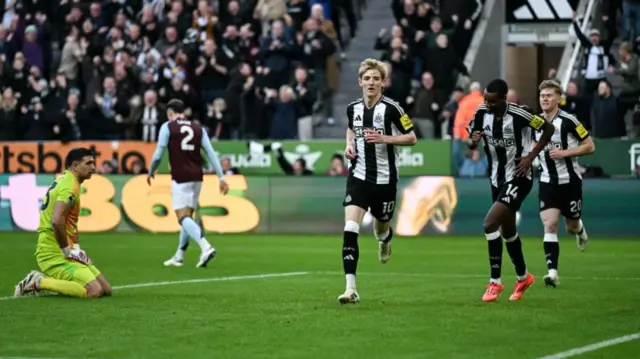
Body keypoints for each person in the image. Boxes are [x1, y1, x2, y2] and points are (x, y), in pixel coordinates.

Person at [467, 78, 554, 302]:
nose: (487, 104)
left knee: (489, 224)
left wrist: (530, 157)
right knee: (508, 231)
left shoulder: (519, 115)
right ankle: (523, 276)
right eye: (485, 99)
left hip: (519, 177)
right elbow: (472, 140)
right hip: (496, 179)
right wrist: (473, 141)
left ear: (504, 99)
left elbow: (548, 128)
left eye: (492, 101)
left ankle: (495, 282)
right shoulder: (481, 112)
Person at [338, 58, 418, 304]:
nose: (371, 82)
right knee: (350, 229)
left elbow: (412, 137)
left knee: (381, 228)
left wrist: (385, 139)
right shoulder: (353, 108)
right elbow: (352, 129)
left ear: (383, 83)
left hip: (385, 181)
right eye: (367, 78)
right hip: (359, 176)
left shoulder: (393, 108)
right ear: (359, 82)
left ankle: (385, 240)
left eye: (376, 79)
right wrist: (349, 145)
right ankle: (351, 289)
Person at [14, 148, 113, 298]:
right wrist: (68, 251)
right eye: (89, 163)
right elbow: (56, 220)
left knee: (106, 289)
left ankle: (55, 280)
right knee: (94, 291)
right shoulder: (69, 186)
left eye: (94, 163)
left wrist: (77, 249)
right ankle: (38, 282)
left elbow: (70, 222)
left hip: (64, 248)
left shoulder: (68, 181)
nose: (93, 167)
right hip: (52, 253)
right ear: (75, 165)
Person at [147, 99, 229, 268]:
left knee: (182, 217)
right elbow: (211, 153)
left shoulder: (167, 127)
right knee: (188, 217)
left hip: (180, 177)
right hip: (197, 177)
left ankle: (205, 247)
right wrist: (221, 177)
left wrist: (150, 171)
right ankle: (179, 256)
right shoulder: (198, 128)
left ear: (170, 113)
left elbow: (157, 155)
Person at [535, 80, 595, 288]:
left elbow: (589, 146)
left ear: (558, 98)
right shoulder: (535, 122)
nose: (544, 99)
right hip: (547, 182)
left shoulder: (569, 120)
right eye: (542, 96)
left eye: (549, 95)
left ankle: (580, 230)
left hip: (570, 182)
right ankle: (552, 273)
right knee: (550, 224)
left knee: (570, 226)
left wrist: (564, 153)